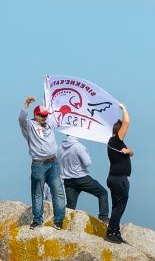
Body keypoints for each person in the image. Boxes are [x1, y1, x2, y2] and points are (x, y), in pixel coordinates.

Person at [18, 96, 66, 229]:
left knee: (58, 191)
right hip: (39, 164)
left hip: (53, 162)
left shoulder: (48, 123)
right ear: (35, 115)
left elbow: (55, 111)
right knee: (38, 193)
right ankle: (37, 220)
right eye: (41, 115)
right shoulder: (30, 125)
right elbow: (21, 119)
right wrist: (26, 104)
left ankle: (59, 221)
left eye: (45, 115)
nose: (44, 117)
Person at [58, 135, 109, 222]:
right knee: (103, 193)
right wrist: (86, 152)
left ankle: (63, 222)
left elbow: (59, 162)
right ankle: (103, 218)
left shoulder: (60, 147)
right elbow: (87, 163)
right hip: (81, 178)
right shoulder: (79, 146)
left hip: (68, 180)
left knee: (70, 206)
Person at [106, 104, 133, 244]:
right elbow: (127, 122)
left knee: (116, 206)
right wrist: (124, 108)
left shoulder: (115, 143)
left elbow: (131, 152)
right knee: (120, 207)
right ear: (119, 131)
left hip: (114, 178)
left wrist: (129, 151)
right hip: (119, 180)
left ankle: (116, 231)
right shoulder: (116, 140)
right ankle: (111, 231)